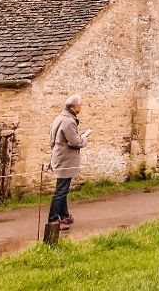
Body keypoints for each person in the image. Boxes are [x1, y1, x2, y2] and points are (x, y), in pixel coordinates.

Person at [48, 94, 91, 231]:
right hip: (65, 160)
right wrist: (84, 137)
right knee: (61, 190)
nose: (81, 107)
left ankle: (64, 215)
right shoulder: (69, 121)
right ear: (74, 106)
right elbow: (75, 142)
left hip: (60, 157)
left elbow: (53, 140)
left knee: (63, 188)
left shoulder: (60, 118)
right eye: (80, 104)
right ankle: (53, 220)